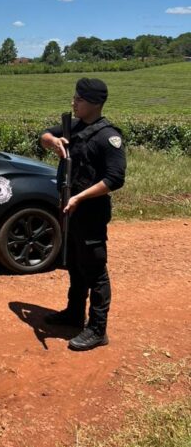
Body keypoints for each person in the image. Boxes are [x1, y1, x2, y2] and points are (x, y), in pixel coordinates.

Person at [40, 77, 126, 351]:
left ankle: (98, 329)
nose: (73, 102)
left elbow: (115, 178)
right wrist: (52, 141)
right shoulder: (73, 127)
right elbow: (42, 136)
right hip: (70, 208)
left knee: (95, 270)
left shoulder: (107, 136)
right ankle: (74, 314)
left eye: (78, 99)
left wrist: (79, 196)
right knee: (75, 265)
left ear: (94, 103)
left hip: (90, 211)